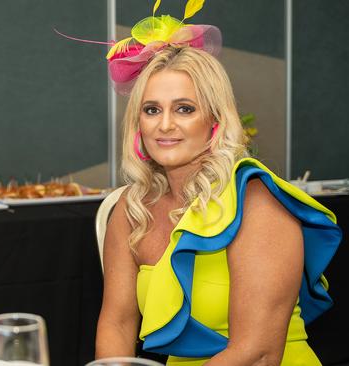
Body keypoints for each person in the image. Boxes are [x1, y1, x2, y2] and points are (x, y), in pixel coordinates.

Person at [94, 7, 341, 366]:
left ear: (213, 119)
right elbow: (116, 325)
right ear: (137, 124)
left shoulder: (257, 203)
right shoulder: (132, 210)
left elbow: (257, 354)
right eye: (151, 110)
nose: (164, 125)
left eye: (183, 109)